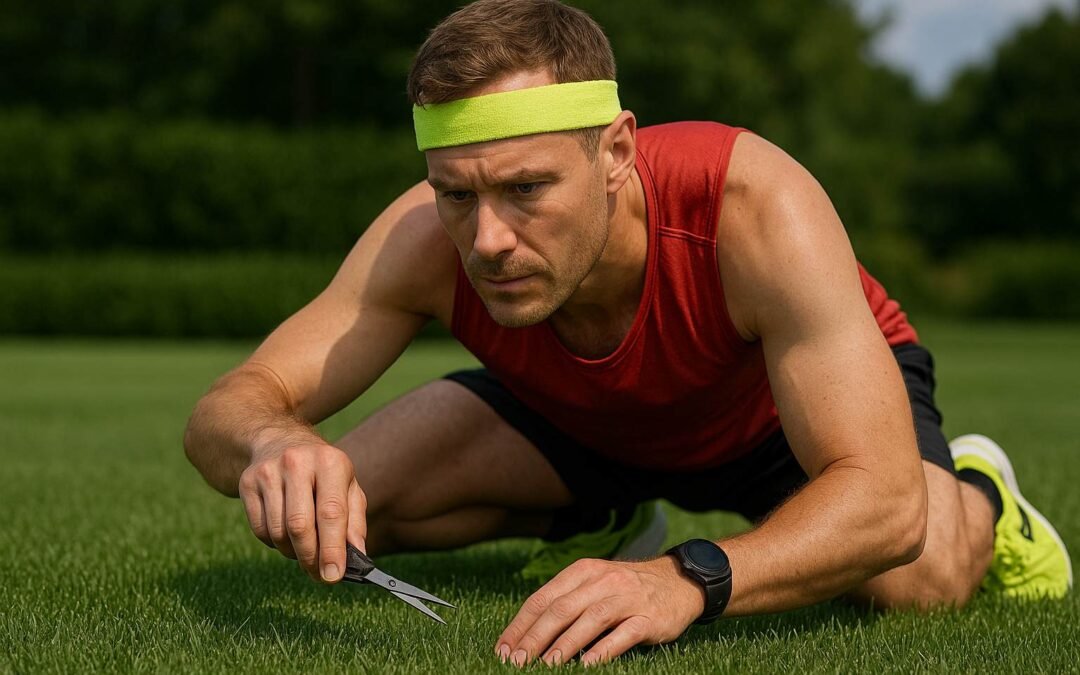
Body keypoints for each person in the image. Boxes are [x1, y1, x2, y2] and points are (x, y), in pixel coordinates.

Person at [183, 0, 1071, 666]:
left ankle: (985, 487)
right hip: (583, 419)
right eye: (458, 193)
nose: (487, 239)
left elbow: (882, 505)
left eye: (526, 189)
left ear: (614, 153)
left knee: (923, 576)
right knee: (346, 512)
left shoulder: (750, 205)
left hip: (776, 418)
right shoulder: (421, 239)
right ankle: (606, 517)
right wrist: (273, 440)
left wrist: (686, 577)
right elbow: (228, 406)